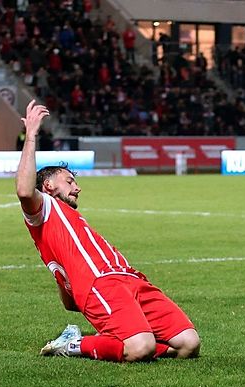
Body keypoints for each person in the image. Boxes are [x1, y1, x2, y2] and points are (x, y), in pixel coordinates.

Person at [15, 100, 201, 362]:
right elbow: (24, 191)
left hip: (132, 279)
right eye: (69, 181)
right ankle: (75, 345)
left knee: (189, 344)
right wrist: (32, 135)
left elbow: (69, 304)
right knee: (141, 348)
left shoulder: (70, 221)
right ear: (48, 185)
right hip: (102, 282)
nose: (77, 187)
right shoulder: (44, 209)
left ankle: (123, 340)